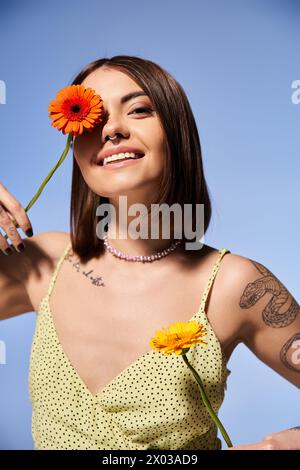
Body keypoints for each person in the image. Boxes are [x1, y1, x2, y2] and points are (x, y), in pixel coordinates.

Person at [0, 55, 299, 451]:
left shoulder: (234, 285)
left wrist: (283, 445)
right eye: (91, 117)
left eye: (139, 110)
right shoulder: (40, 263)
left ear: (177, 132)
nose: (112, 130)